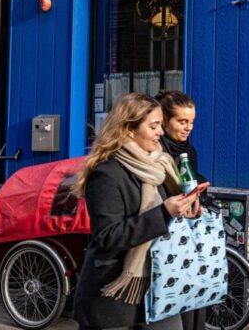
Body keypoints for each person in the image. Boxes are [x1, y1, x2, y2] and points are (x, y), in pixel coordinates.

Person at [72, 93, 199, 330]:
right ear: (129, 129)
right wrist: (164, 213)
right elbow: (108, 236)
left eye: (161, 125)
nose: (161, 132)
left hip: (160, 285)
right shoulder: (106, 173)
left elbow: (168, 218)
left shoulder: (159, 165)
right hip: (115, 293)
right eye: (153, 126)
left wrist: (185, 210)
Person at [155, 90, 207, 330]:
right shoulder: (156, 151)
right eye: (182, 121)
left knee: (194, 294)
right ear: (164, 121)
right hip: (164, 233)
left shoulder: (189, 150)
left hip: (188, 231)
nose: (188, 128)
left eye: (192, 122)